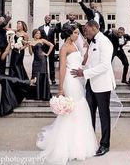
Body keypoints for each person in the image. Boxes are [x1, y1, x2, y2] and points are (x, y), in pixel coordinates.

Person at [36, 24, 98, 164]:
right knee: (73, 110)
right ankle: (66, 145)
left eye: (77, 33)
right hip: (70, 81)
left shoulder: (76, 46)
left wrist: (87, 50)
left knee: (80, 109)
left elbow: (81, 62)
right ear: (69, 34)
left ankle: (79, 142)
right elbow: (62, 68)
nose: (77, 35)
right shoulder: (64, 48)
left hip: (78, 80)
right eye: (75, 33)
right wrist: (60, 88)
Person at [71, 20, 116, 156]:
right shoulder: (92, 43)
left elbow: (105, 66)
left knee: (103, 114)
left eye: (86, 29)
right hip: (90, 84)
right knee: (88, 113)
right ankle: (89, 142)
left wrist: (84, 73)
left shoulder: (105, 42)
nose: (85, 32)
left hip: (102, 85)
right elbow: (90, 63)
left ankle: (105, 144)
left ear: (93, 27)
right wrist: (82, 70)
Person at [0, 46, 33, 116]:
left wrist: (10, 42)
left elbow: (6, 51)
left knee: (13, 79)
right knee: (13, 79)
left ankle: (26, 84)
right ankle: (28, 82)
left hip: (1, 76)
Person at [26, 29, 54, 100]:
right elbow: (31, 53)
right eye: (36, 33)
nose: (38, 34)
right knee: (35, 75)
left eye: (39, 33)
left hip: (42, 60)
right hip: (35, 60)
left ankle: (43, 95)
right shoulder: (31, 41)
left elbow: (52, 45)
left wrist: (47, 54)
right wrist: (29, 45)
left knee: (42, 75)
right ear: (34, 34)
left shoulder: (42, 40)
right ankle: (36, 95)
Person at [38, 15, 62, 84]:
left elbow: (59, 31)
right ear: (44, 19)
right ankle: (44, 78)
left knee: (51, 64)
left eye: (49, 18)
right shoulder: (40, 28)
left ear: (51, 19)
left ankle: (53, 79)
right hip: (43, 47)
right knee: (43, 63)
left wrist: (58, 22)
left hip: (51, 47)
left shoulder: (53, 27)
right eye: (46, 18)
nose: (47, 19)